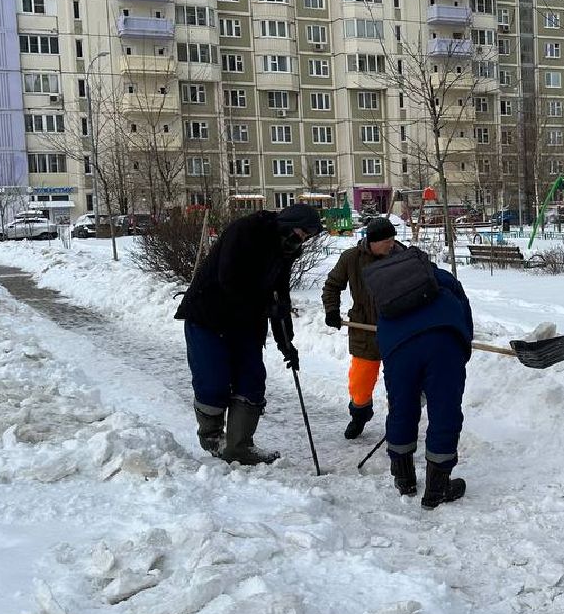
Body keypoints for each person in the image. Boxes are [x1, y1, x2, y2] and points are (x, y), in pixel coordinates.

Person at [175, 204, 323, 466]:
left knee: (252, 380)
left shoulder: (285, 250)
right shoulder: (245, 231)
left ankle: (239, 446)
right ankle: (212, 437)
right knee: (214, 381)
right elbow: (229, 279)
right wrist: (265, 306)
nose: (302, 240)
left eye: (307, 237)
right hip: (210, 316)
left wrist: (285, 341)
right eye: (302, 233)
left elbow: (280, 296)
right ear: (289, 222)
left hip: (247, 323)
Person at [366, 247, 473, 508]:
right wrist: (460, 351)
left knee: (401, 409)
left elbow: (381, 324)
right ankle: (437, 489)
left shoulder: (388, 285)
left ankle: (404, 480)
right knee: (444, 412)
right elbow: (465, 315)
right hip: (443, 342)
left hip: (396, 347)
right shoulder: (443, 278)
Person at [321, 217, 400, 440]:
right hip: (364, 330)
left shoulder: (402, 256)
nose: (391, 244)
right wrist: (332, 311)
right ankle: (360, 414)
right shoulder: (351, 258)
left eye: (393, 239)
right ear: (372, 241)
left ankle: (399, 423)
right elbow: (332, 286)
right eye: (386, 240)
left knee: (400, 382)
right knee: (360, 384)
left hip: (397, 329)